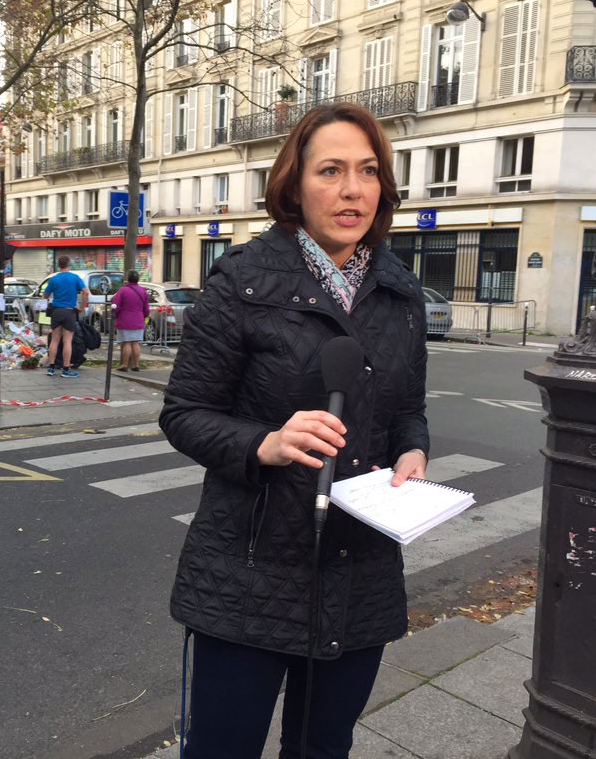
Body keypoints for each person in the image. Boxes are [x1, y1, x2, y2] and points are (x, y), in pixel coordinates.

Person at [159, 102, 429, 758]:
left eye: (367, 171)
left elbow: (407, 409)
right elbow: (185, 413)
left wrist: (414, 450)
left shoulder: (399, 292)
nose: (352, 190)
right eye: (331, 170)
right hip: (249, 573)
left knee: (323, 746)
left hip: (357, 570)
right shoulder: (242, 281)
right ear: (294, 184)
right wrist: (266, 443)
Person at [43, 255, 89, 379]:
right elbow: (85, 292)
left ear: (59, 265)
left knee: (54, 340)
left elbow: (45, 295)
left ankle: (51, 367)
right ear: (69, 264)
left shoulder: (54, 279)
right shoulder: (75, 278)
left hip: (56, 311)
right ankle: (66, 369)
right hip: (69, 312)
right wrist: (82, 306)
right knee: (67, 341)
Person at [112, 270, 150, 372]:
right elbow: (146, 309)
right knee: (135, 343)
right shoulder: (143, 291)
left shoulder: (123, 291)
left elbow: (116, 305)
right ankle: (136, 365)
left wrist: (115, 316)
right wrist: (143, 316)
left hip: (125, 320)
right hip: (138, 320)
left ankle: (124, 365)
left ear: (128, 279)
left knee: (127, 343)